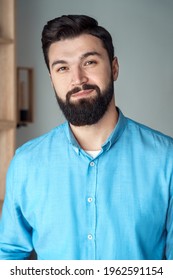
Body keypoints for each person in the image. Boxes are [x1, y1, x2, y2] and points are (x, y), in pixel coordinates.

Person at [0, 15, 173, 260]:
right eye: (62, 68)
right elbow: (9, 258)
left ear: (114, 68)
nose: (78, 79)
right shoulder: (25, 163)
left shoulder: (167, 159)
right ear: (52, 79)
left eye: (89, 62)